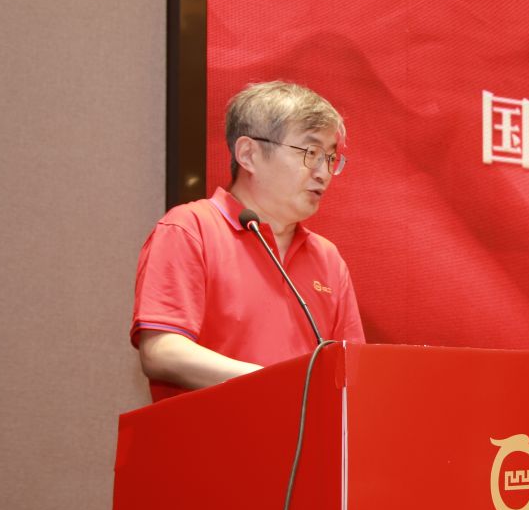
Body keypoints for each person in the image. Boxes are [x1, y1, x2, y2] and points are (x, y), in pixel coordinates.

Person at [130, 80, 364, 401]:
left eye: (331, 157)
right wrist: (274, 382)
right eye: (311, 153)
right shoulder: (190, 229)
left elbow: (352, 374)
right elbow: (162, 351)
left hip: (305, 434)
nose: (323, 172)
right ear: (248, 154)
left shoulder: (327, 258)